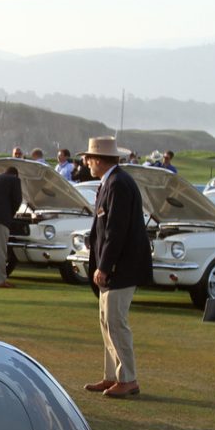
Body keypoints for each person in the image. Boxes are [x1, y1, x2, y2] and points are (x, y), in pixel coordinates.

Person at [82, 137, 152, 399]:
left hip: (122, 267)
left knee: (116, 322)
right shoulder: (111, 182)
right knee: (106, 321)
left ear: (98, 159)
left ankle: (128, 378)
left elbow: (116, 230)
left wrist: (105, 265)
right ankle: (112, 376)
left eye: (89, 158)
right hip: (115, 267)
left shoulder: (118, 184)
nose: (87, 162)